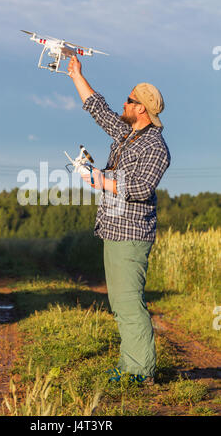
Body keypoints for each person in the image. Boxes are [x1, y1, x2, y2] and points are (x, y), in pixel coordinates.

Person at [67, 55, 171, 385]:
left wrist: (99, 179)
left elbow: (141, 188)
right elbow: (98, 110)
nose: (123, 104)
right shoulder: (127, 133)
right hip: (113, 228)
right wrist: (75, 74)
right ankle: (131, 365)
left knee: (128, 302)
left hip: (132, 234)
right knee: (119, 301)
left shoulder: (156, 147)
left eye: (128, 100)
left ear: (141, 108)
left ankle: (140, 371)